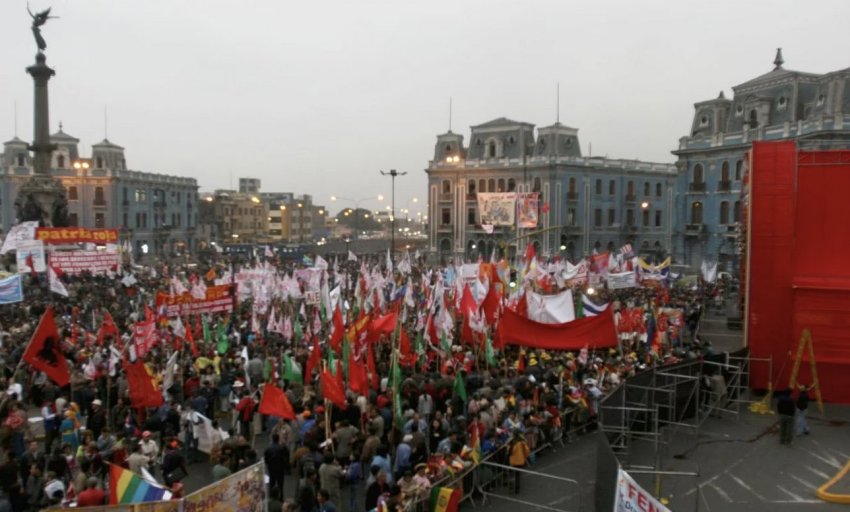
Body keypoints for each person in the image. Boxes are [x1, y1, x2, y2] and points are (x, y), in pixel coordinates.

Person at [264, 433, 288, 500]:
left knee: (271, 483)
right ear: (278, 439)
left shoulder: (268, 449)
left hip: (271, 469)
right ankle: (281, 497)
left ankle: (271, 497)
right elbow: (286, 457)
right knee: (280, 484)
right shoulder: (282, 448)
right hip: (280, 468)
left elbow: (266, 460)